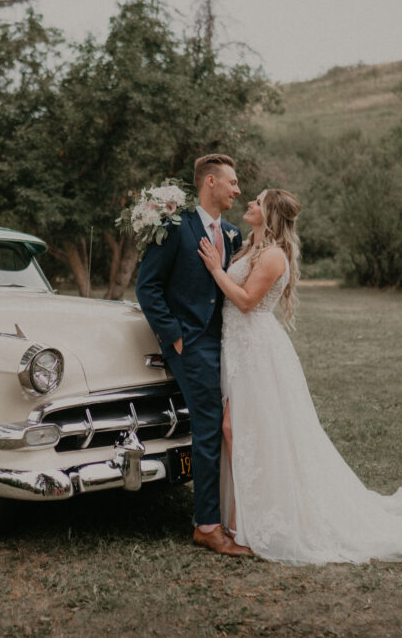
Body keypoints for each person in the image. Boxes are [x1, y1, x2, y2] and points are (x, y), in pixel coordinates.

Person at [196, 189, 402, 566]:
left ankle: (244, 521)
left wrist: (216, 270)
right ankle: (237, 518)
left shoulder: (273, 255)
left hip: (256, 351)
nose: (249, 203)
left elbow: (247, 302)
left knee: (242, 429)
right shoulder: (249, 245)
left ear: (270, 213)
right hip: (236, 347)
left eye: (257, 201)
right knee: (239, 430)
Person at [136, 153, 250, 557]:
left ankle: (233, 515)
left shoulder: (233, 234)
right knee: (208, 427)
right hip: (192, 345)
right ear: (210, 182)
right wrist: (175, 337)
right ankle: (207, 526)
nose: (238, 190)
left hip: (229, 345)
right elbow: (147, 286)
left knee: (231, 425)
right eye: (232, 182)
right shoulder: (174, 227)